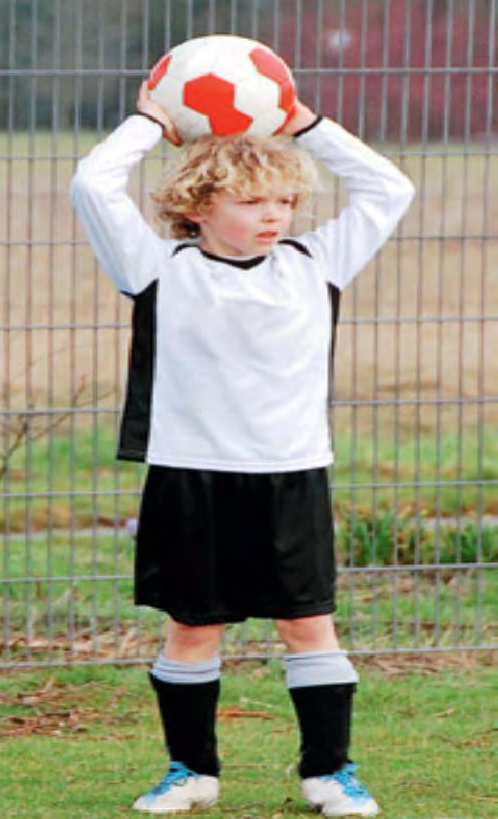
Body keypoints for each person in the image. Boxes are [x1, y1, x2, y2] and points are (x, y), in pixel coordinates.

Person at [69, 80, 415, 817]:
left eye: (284, 202)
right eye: (254, 202)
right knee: (192, 627)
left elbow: (389, 187)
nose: (274, 216)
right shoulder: (156, 269)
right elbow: (92, 183)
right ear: (198, 207)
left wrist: (308, 124)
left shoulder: (315, 264)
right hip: (190, 477)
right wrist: (150, 122)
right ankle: (190, 771)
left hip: (290, 476)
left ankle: (330, 771)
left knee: (307, 623)